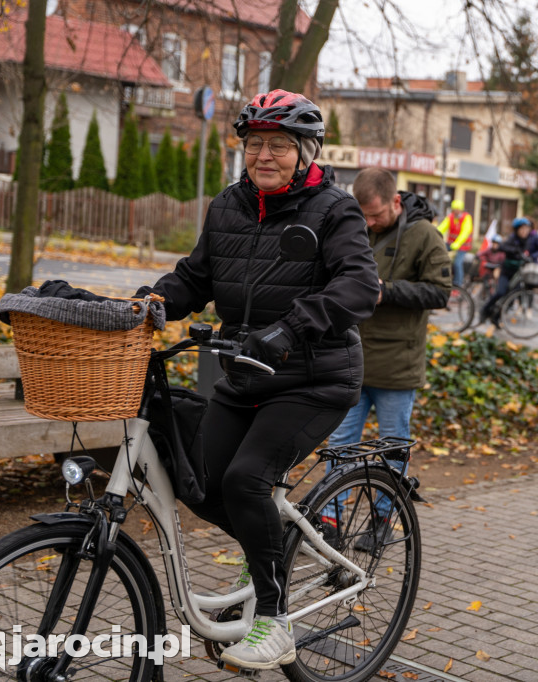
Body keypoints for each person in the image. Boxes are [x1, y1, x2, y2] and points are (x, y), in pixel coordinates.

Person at [135, 89, 380, 671]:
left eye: (278, 145)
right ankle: (268, 544)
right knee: (202, 484)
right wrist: (152, 302)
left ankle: (273, 622)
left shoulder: (333, 210)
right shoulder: (228, 206)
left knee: (246, 480)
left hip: (314, 378)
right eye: (253, 145)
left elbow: (359, 286)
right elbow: (195, 279)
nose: (263, 156)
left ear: (305, 151)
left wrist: (294, 327)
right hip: (245, 376)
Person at [321, 167, 451, 548]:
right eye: (363, 216)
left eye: (376, 215)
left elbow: (440, 292)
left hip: (398, 365)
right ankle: (331, 520)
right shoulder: (356, 228)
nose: (369, 222)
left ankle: (382, 520)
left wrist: (386, 291)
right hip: (353, 359)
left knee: (393, 446)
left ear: (396, 201)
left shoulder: (424, 234)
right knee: (342, 443)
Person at [477, 217, 538, 325]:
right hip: (507, 271)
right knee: (500, 292)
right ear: (517, 230)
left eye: (526, 229)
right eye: (522, 229)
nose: (524, 231)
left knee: (512, 297)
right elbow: (502, 247)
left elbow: (536, 250)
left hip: (518, 273)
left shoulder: (528, 240)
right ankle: (484, 310)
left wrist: (529, 257)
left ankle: (497, 317)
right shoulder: (512, 239)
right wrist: (515, 251)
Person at [437, 198, 473, 286]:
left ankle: (458, 284)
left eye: (457, 210)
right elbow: (442, 227)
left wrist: (458, 243)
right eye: (454, 210)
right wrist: (434, 234)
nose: (455, 212)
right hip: (451, 244)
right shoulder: (450, 217)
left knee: (457, 263)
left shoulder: (466, 218)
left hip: (463, 246)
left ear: (460, 210)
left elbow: (465, 232)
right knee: (437, 253)